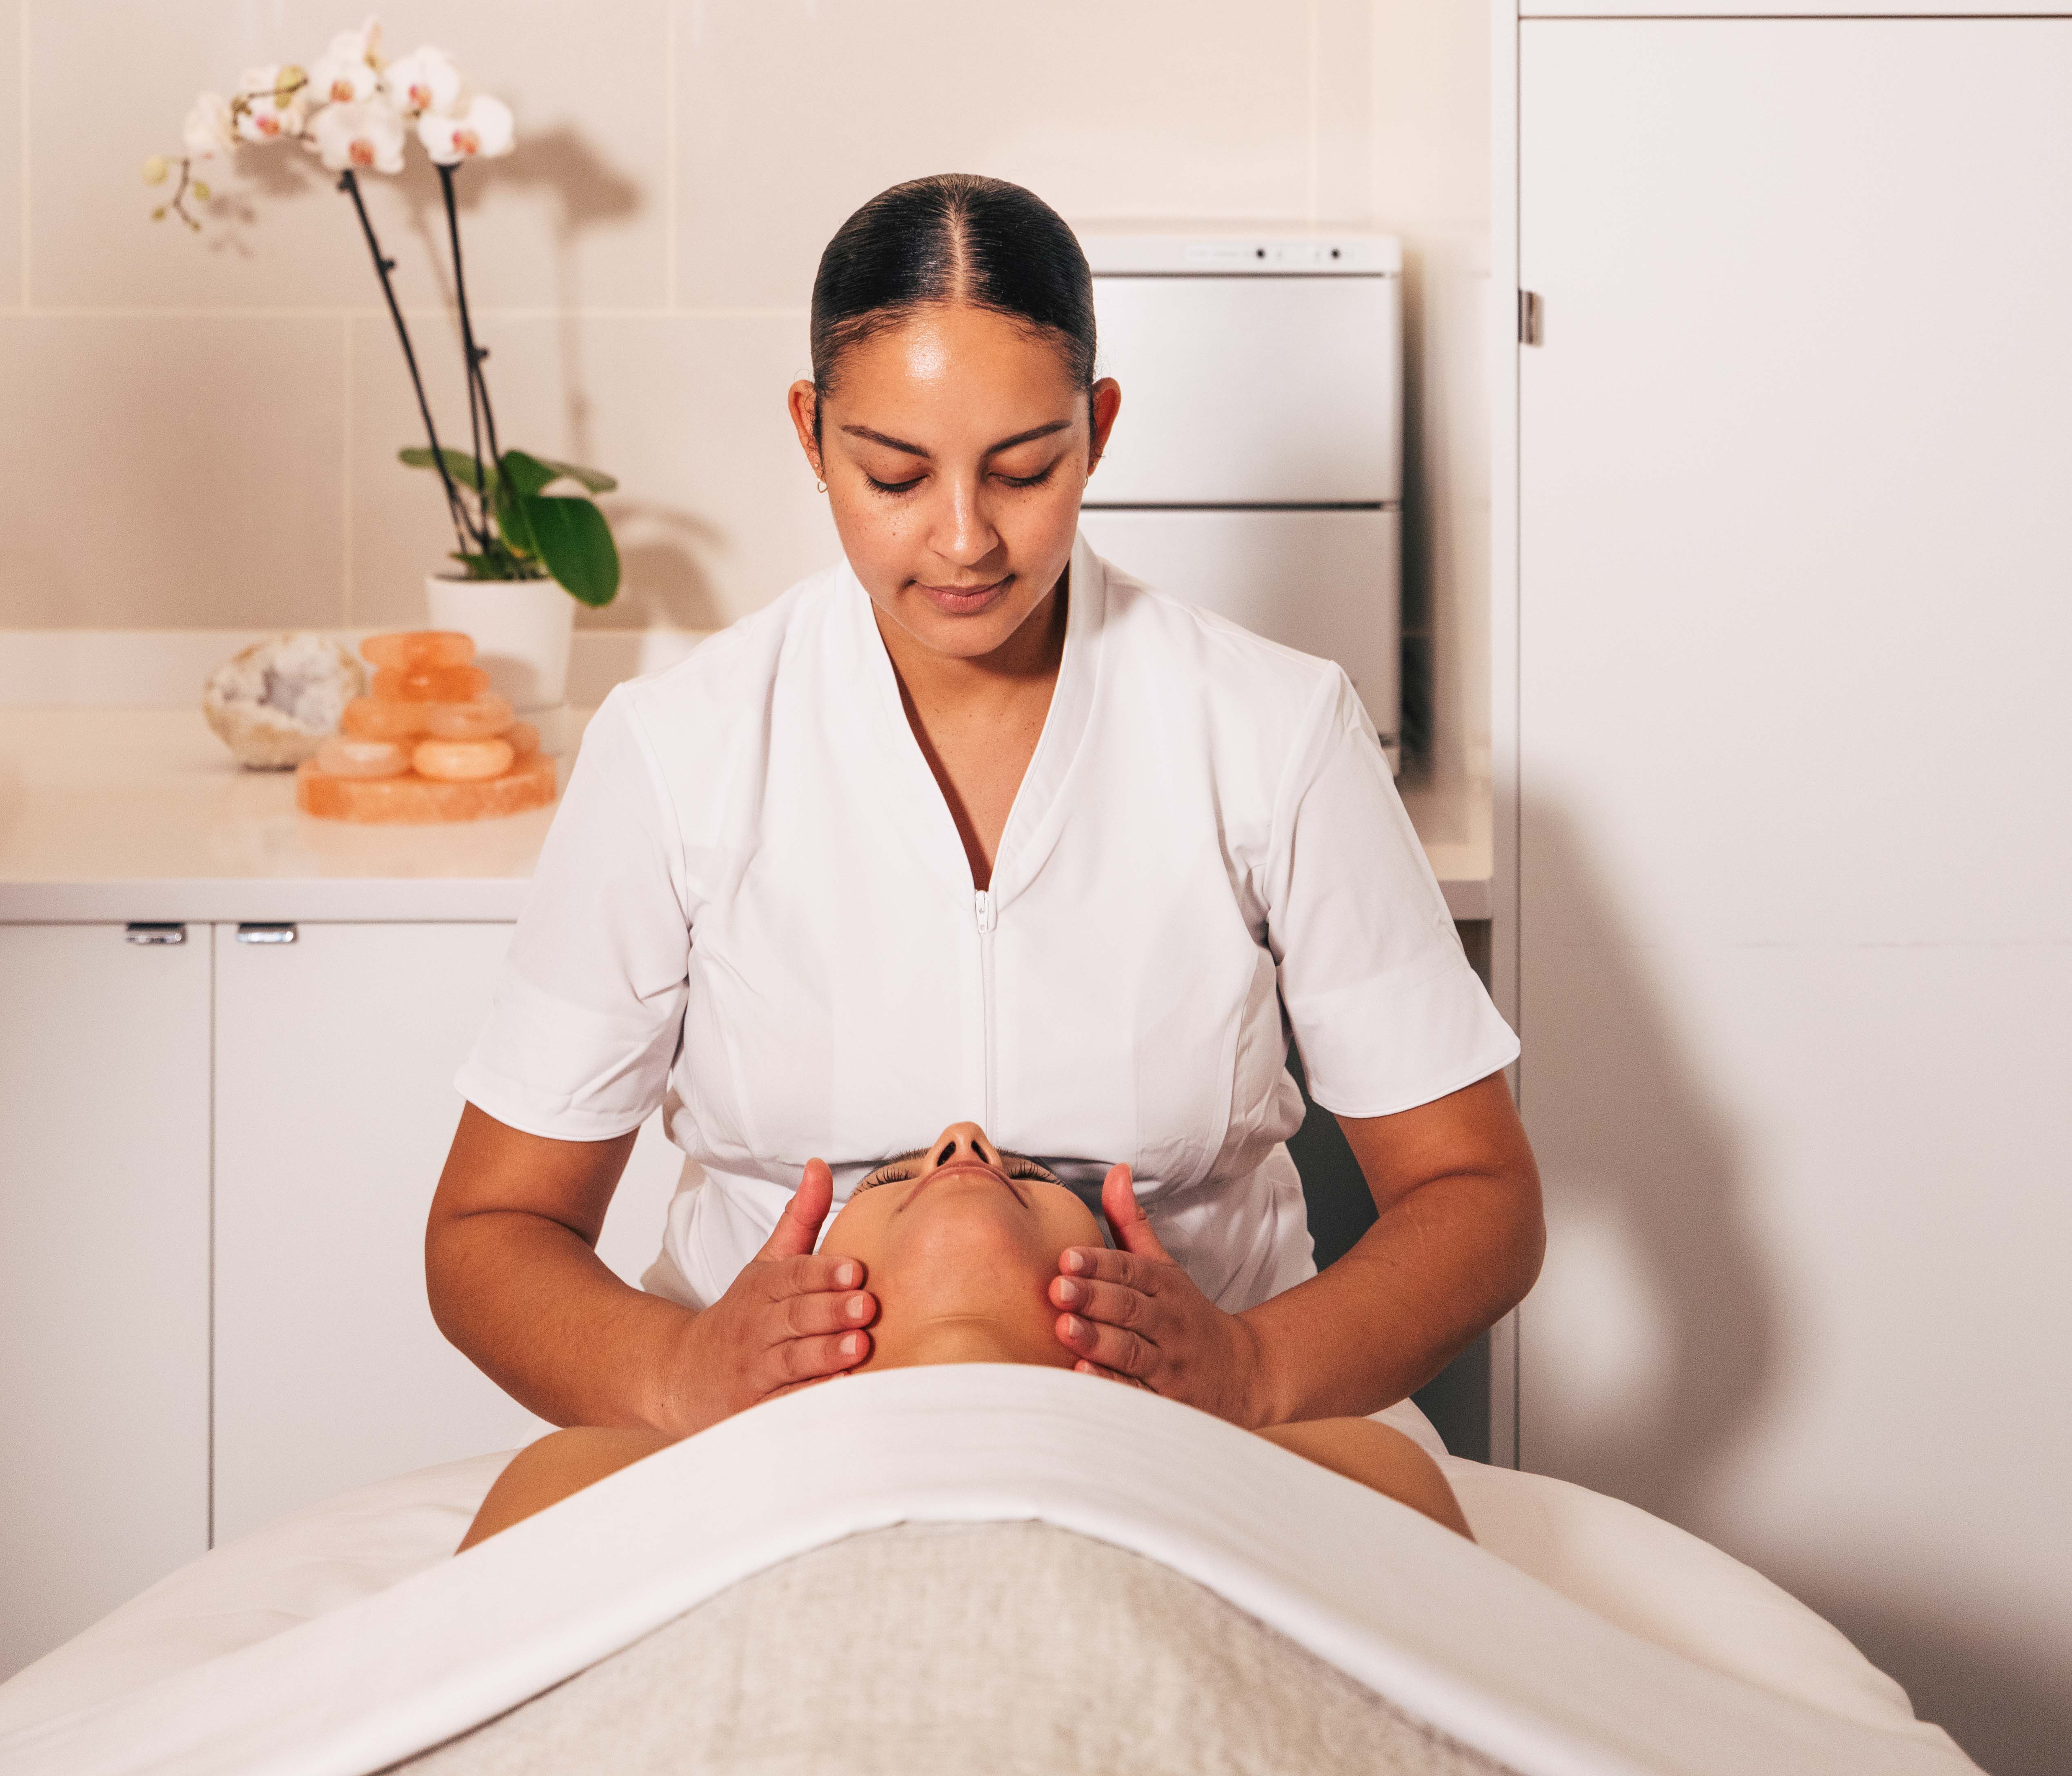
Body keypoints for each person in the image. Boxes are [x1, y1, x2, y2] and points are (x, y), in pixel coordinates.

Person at [427, 173, 1541, 1450]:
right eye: (894, 475)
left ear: (1099, 429)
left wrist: (1253, 1368)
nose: (964, 541)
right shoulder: (681, 746)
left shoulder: (1272, 729)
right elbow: (489, 1228)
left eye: (1022, 469)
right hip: (770, 1440)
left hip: (1213, 1437)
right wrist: (679, 1370)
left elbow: (1475, 1194)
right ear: (809, 432)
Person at [458, 1124, 1472, 1551]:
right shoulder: (584, 1483)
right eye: (891, 1178)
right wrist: (688, 1374)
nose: (965, 1140)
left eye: (1033, 1176)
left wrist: (1235, 1375)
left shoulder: (1363, 1472)